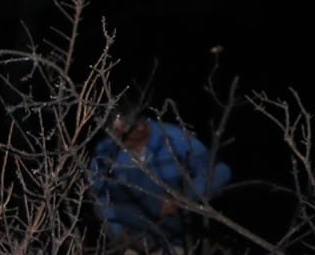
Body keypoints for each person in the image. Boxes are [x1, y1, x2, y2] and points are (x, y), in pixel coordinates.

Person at [89, 106, 228, 247]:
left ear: (140, 127)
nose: (114, 138)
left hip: (172, 241)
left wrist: (185, 196)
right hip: (127, 244)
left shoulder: (175, 138)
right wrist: (118, 234)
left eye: (119, 132)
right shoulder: (105, 149)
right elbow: (98, 196)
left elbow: (220, 171)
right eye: (111, 132)